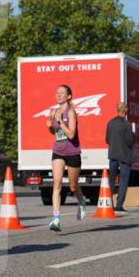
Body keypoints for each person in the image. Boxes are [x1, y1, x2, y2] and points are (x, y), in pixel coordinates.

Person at [46, 85, 86, 231]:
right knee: (56, 184)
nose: (58, 95)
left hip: (73, 152)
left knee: (73, 186)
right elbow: (54, 132)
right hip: (58, 152)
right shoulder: (55, 111)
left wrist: (60, 121)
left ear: (69, 96)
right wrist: (50, 125)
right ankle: (56, 219)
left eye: (62, 93)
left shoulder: (71, 112)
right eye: (57, 93)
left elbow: (71, 135)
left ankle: (81, 201)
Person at [105, 102, 134, 212]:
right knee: (123, 180)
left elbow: (107, 139)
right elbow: (130, 141)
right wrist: (133, 135)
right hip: (124, 156)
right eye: (127, 108)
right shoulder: (127, 124)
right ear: (125, 110)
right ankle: (119, 205)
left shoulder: (110, 123)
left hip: (112, 155)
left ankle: (109, 203)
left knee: (111, 180)